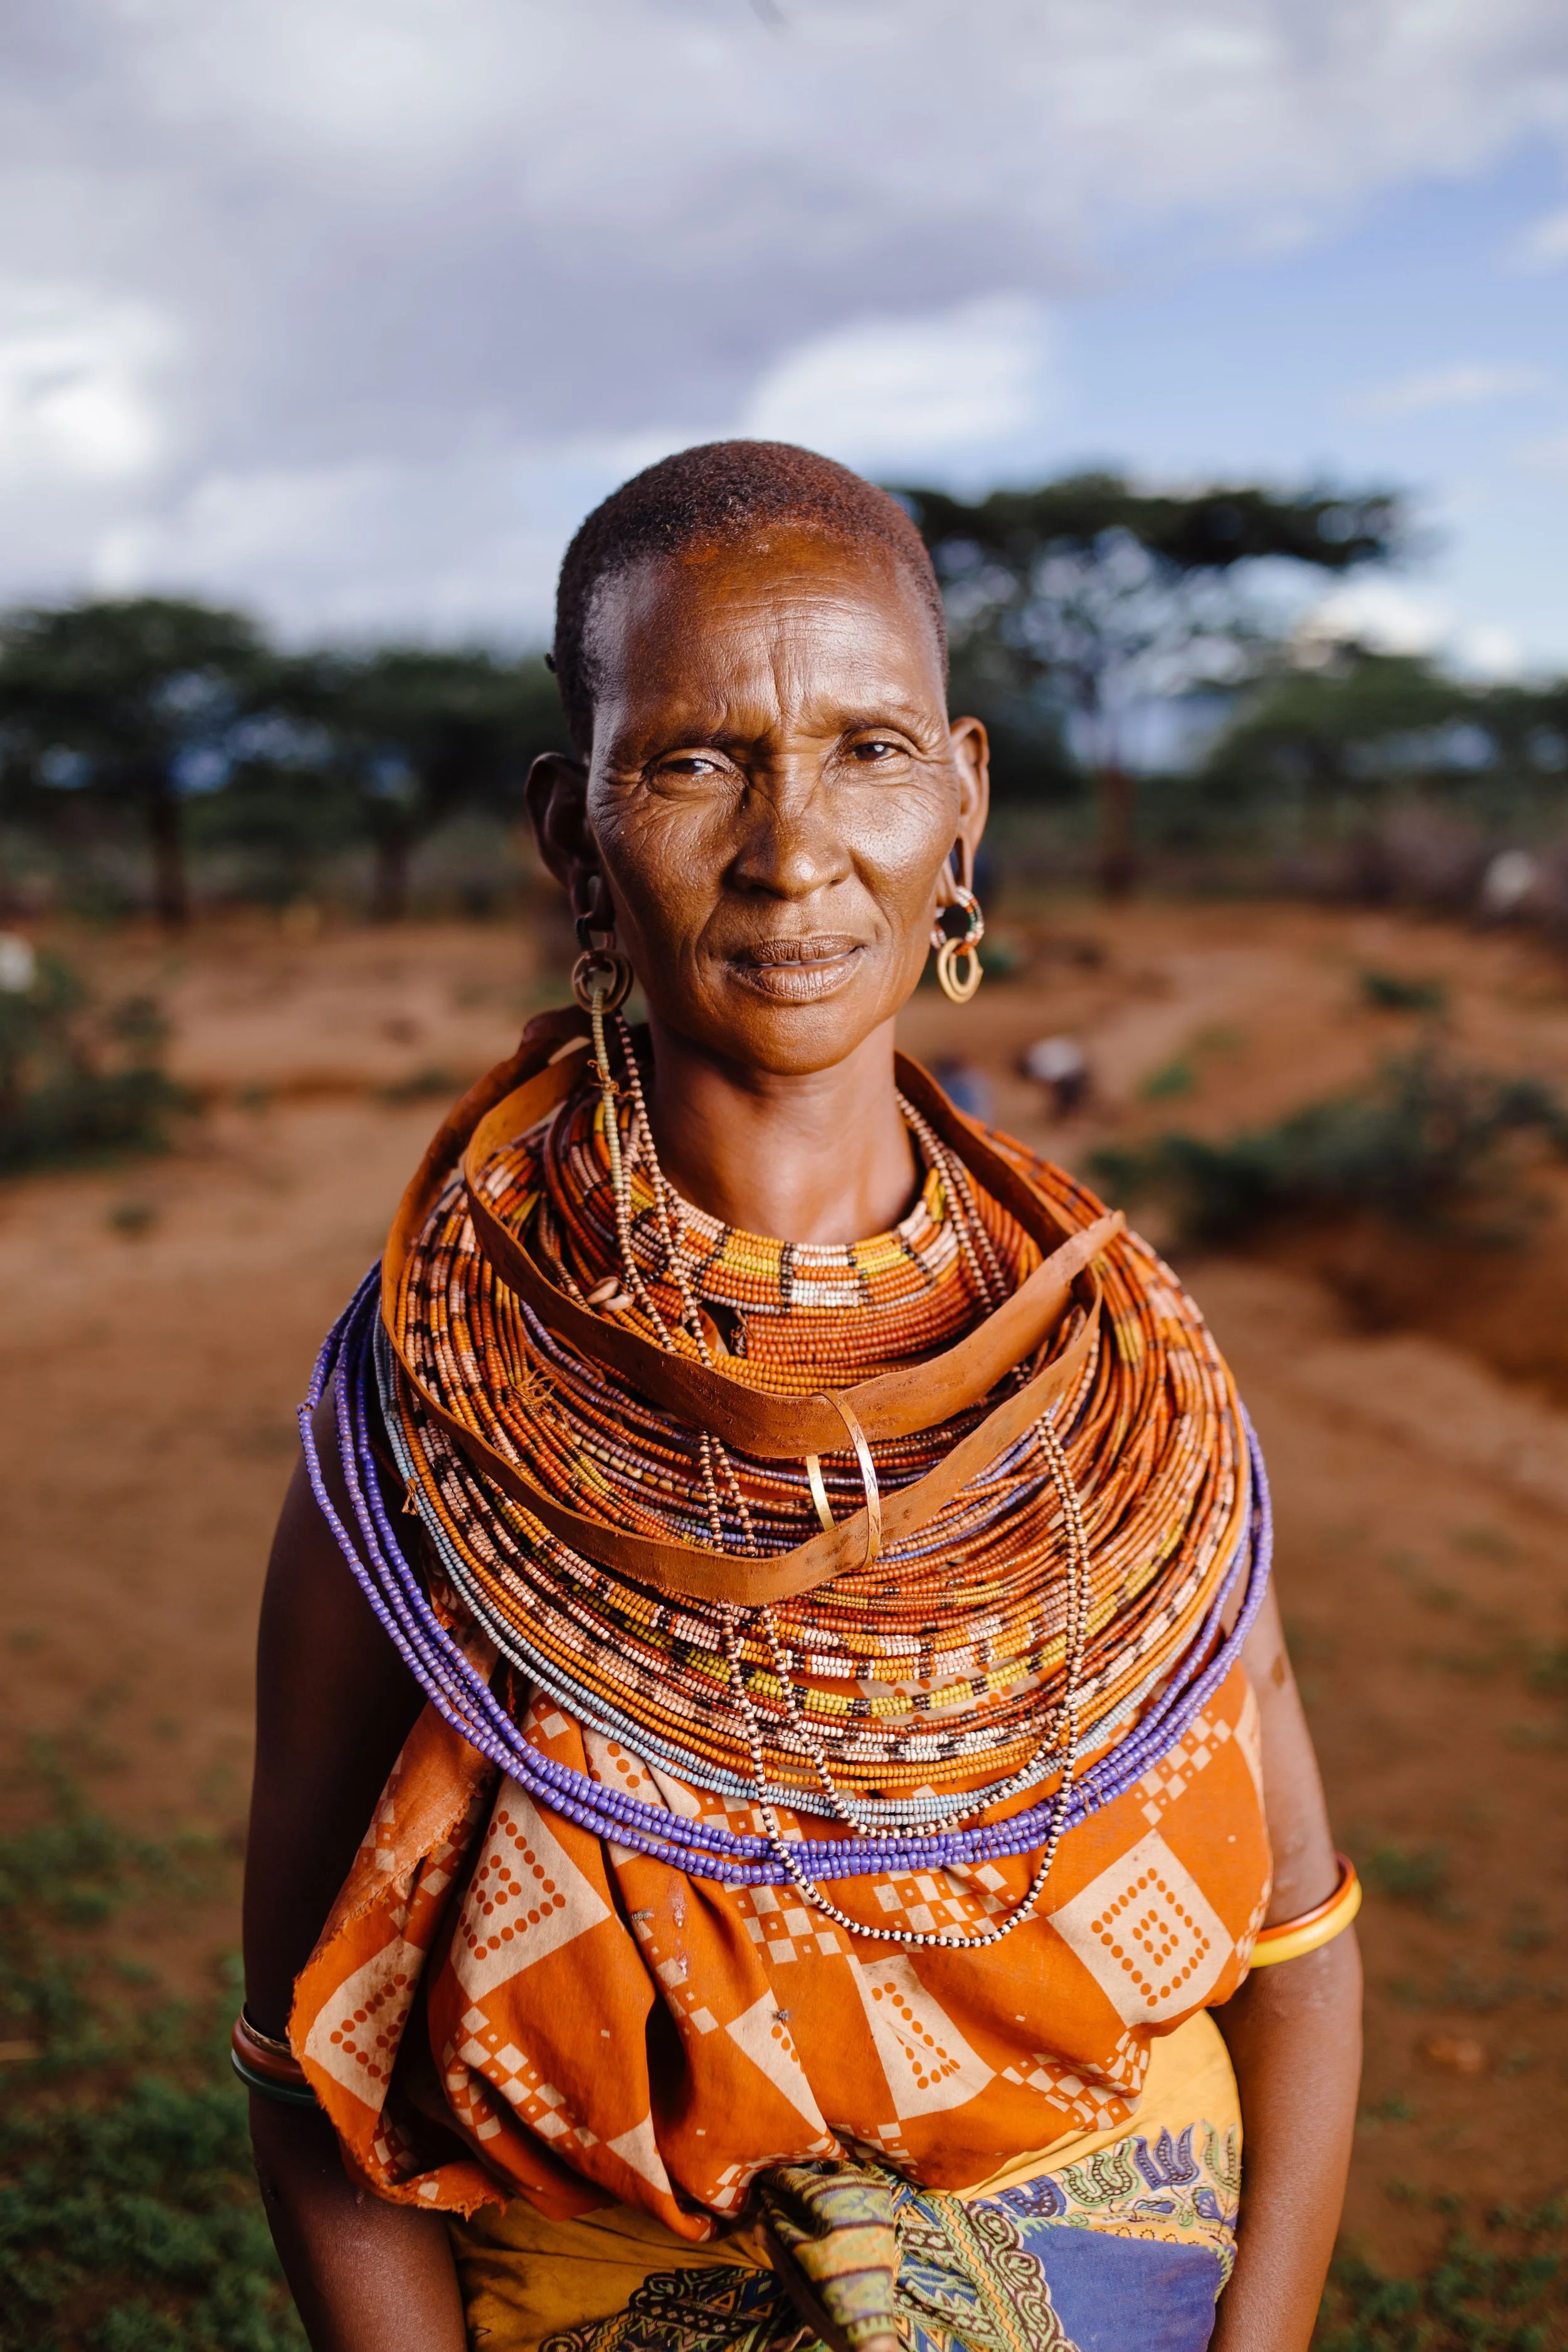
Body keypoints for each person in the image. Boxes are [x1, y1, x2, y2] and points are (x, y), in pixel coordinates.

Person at [240, 441, 1362, 2352]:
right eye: (692, 759)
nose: (790, 849)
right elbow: (304, 2060)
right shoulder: (434, 1401)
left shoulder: (1126, 1373)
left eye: (867, 746)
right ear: (565, 824)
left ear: (965, 796)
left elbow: (1300, 1954)